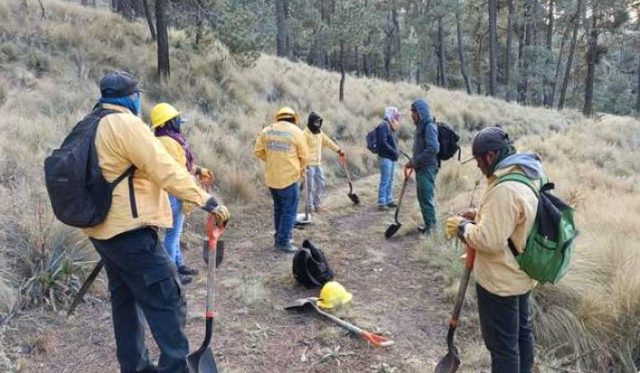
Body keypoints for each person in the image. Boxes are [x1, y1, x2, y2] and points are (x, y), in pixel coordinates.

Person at [84, 71, 230, 373]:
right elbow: (165, 169)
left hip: (102, 232)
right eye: (139, 96)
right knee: (168, 297)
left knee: (125, 303)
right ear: (132, 97)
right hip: (130, 234)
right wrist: (207, 200)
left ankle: (135, 368)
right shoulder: (125, 124)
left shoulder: (90, 124)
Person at [445, 126, 542, 373]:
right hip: (521, 275)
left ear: (490, 156)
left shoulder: (504, 189)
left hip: (500, 282)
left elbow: (489, 240)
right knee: (521, 334)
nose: (477, 166)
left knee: (503, 347)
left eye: (478, 160)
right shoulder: (525, 173)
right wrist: (480, 215)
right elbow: (514, 221)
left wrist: (462, 227)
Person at [150, 102, 214, 285]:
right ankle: (172, 275)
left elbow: (183, 166)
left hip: (173, 190)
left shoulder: (168, 139)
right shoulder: (168, 142)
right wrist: (192, 187)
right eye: (175, 120)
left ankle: (179, 265)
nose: (178, 122)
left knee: (175, 233)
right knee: (172, 235)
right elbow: (178, 171)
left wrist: (198, 170)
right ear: (165, 123)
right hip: (173, 192)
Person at [254, 106, 309, 252]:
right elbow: (305, 157)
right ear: (293, 119)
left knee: (279, 209)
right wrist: (300, 169)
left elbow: (258, 151)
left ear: (278, 117)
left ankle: (280, 236)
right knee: (289, 211)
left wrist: (272, 160)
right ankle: (283, 242)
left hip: (272, 178)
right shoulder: (297, 132)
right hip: (289, 178)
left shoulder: (267, 130)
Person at [405, 99, 439, 233]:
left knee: (426, 197)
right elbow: (422, 148)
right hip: (421, 167)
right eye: (412, 112)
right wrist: (413, 161)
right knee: (422, 197)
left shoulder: (429, 126)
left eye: (414, 112)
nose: (412, 115)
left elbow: (433, 149)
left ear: (420, 112)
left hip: (427, 168)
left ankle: (432, 228)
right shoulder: (420, 126)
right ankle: (428, 225)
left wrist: (415, 161)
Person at [302, 111, 344, 213]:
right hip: (308, 165)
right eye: (315, 122)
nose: (317, 124)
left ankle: (317, 204)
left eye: (319, 122)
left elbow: (328, 142)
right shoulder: (304, 134)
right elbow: (300, 149)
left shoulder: (320, 132)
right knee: (310, 187)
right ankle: (309, 207)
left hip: (317, 163)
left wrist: (338, 150)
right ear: (311, 122)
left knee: (321, 184)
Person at [376, 107, 401, 211]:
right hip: (386, 157)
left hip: (390, 157)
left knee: (390, 179)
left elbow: (390, 141)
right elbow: (382, 142)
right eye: (395, 115)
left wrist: (396, 150)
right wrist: (393, 151)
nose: (397, 118)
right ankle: (382, 202)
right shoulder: (384, 125)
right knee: (385, 180)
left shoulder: (390, 126)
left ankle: (389, 200)